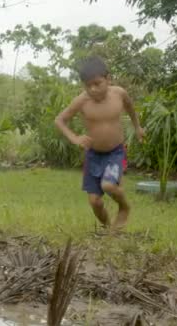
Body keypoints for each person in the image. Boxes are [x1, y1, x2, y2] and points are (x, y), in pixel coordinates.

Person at [54, 56, 145, 232]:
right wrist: (75, 138)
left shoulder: (119, 93)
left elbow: (131, 108)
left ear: (108, 79)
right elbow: (59, 120)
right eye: (88, 86)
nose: (93, 89)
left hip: (115, 152)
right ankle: (108, 229)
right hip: (93, 155)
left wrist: (138, 127)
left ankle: (125, 207)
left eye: (97, 83)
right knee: (95, 202)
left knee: (109, 185)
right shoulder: (82, 101)